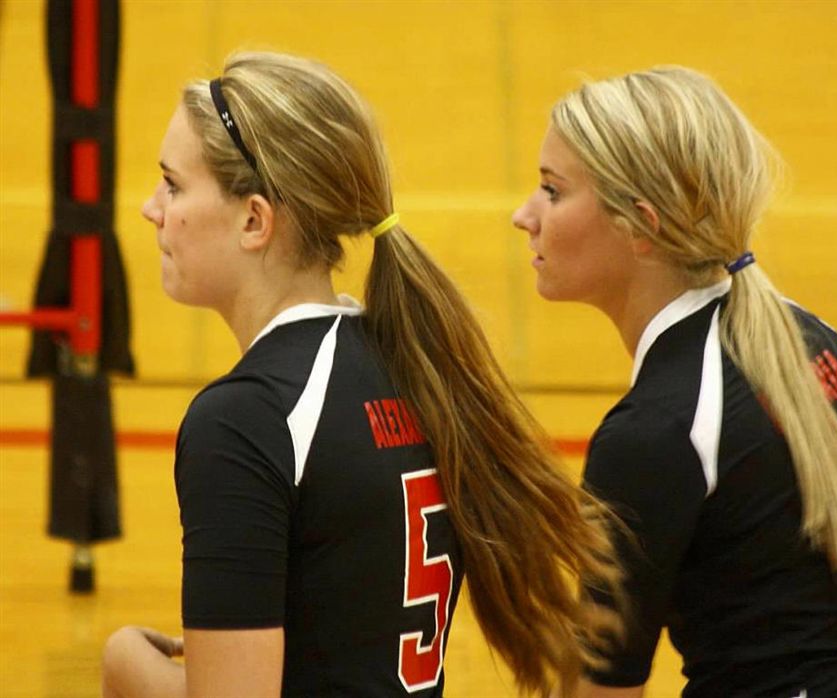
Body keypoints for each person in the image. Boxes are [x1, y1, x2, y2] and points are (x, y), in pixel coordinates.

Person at [102, 51, 622, 698]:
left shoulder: (244, 419)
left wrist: (125, 662)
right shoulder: (407, 363)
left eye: (173, 185)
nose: (151, 208)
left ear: (255, 220)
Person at [512, 66, 837, 698]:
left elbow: (603, 690)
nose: (524, 215)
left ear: (640, 225)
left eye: (552, 191)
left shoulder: (656, 431)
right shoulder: (819, 343)